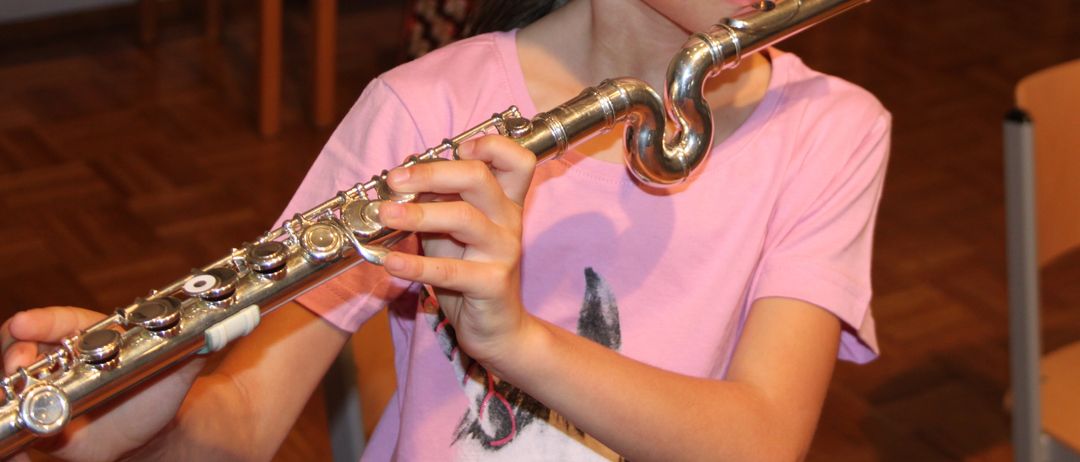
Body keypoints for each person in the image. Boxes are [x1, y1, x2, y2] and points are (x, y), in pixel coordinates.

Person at [1, 0, 890, 460]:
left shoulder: (830, 126)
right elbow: (241, 426)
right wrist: (145, 424)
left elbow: (763, 439)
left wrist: (514, 338)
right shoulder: (422, 110)